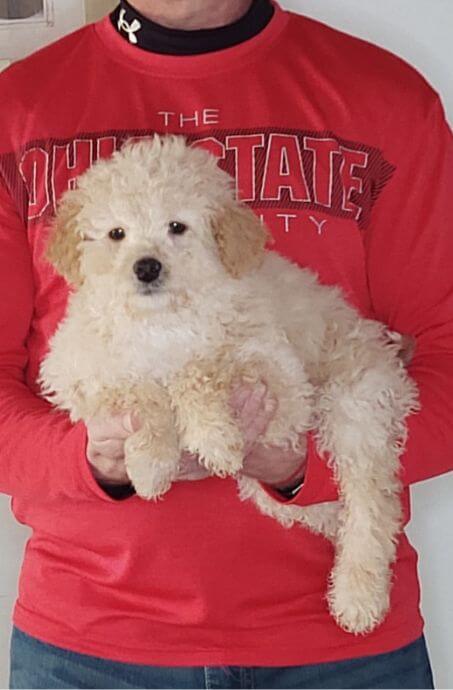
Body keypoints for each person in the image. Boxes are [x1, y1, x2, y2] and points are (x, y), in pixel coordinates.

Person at [1, 0, 452, 687]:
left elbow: (444, 355)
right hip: (88, 645)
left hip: (340, 654)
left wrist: (300, 467)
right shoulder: (18, 108)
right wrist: (92, 459)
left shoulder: (383, 96)